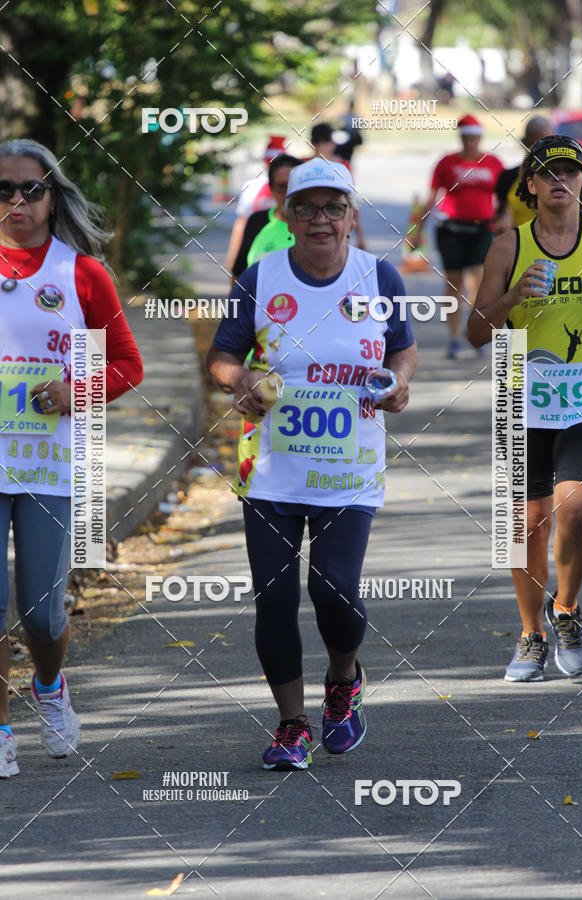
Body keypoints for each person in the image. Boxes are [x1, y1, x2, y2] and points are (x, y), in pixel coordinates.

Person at [207, 157, 417, 769]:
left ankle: (344, 680)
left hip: (349, 470)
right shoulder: (260, 276)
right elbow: (221, 357)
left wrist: (399, 384)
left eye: (333, 207)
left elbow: (402, 351)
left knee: (334, 589)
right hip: (271, 468)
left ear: (352, 216)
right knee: (273, 600)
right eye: (307, 208)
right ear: (287, 215)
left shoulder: (378, 277)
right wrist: (240, 377)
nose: (320, 219)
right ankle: (291, 724)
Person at [0, 139, 143, 776]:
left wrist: (74, 390)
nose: (16, 202)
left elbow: (127, 365)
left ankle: (50, 686)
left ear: (53, 195)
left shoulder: (81, 273)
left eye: (30, 189)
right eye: (3, 191)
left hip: (50, 464)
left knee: (40, 608)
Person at [467, 134, 582, 682]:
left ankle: (565, 609)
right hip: (520, 389)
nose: (559, 182)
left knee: (577, 508)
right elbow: (476, 332)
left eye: (569, 172)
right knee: (525, 524)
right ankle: (530, 634)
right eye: (548, 174)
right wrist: (512, 297)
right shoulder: (508, 246)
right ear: (532, 185)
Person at [410, 114, 503, 359]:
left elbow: (505, 199)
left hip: (482, 229)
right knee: (453, 283)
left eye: (475, 138)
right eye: (466, 138)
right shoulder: (447, 163)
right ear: (460, 138)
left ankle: (474, 333)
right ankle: (453, 338)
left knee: (478, 282)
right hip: (450, 230)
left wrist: (506, 224)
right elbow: (431, 198)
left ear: (480, 137)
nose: (471, 142)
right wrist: (417, 232)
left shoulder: (492, 163)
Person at [230, 154, 302, 288]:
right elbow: (238, 274)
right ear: (271, 188)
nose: (288, 194)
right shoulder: (257, 221)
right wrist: (232, 307)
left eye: (294, 185)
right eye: (281, 186)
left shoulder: (317, 225)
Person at [224, 136, 286, 272]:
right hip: (257, 251)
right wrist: (234, 257)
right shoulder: (251, 187)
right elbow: (241, 223)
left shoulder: (294, 186)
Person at [309, 123, 367, 251]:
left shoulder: (342, 167)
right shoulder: (302, 167)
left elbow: (352, 201)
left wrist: (361, 239)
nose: (322, 146)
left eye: (325, 141)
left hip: (336, 228)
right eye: (319, 141)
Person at [494, 116, 552, 234]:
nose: (536, 150)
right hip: (519, 245)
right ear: (524, 142)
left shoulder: (565, 177)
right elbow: (501, 216)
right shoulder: (508, 177)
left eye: (543, 144)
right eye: (532, 144)